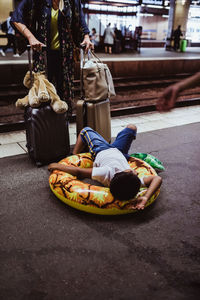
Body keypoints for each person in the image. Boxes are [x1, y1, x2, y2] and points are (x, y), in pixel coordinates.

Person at [48, 125, 162, 210]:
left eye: (132, 172)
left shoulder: (105, 172)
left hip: (101, 149)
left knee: (85, 131)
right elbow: (158, 179)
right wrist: (146, 197)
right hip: (121, 153)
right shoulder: (132, 182)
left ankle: (74, 155)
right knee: (132, 128)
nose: (135, 172)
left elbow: (79, 171)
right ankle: (116, 142)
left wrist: (57, 165)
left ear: (119, 173)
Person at [11, 0, 93, 115]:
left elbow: (80, 21)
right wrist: (31, 37)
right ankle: (43, 128)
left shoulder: (72, 2)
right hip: (42, 55)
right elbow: (16, 18)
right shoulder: (38, 2)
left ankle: (63, 127)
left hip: (65, 57)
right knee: (42, 92)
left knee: (64, 94)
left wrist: (86, 37)